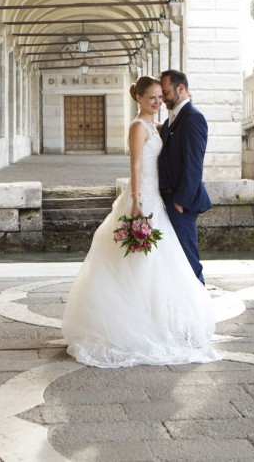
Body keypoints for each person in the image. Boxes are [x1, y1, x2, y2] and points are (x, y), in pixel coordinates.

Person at [62, 76, 219, 368]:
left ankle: (167, 321)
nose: (159, 102)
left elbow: (173, 133)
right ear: (139, 99)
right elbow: (135, 165)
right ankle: (138, 322)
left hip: (158, 199)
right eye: (153, 98)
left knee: (166, 263)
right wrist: (135, 202)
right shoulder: (137, 127)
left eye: (162, 96)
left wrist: (182, 106)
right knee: (141, 264)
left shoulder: (157, 125)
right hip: (143, 198)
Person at [158, 69, 214, 284]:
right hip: (167, 200)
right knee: (174, 258)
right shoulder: (173, 118)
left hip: (180, 201)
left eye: (165, 92)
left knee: (188, 258)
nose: (163, 99)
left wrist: (181, 201)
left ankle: (199, 306)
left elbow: (194, 164)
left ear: (181, 89)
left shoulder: (193, 118)